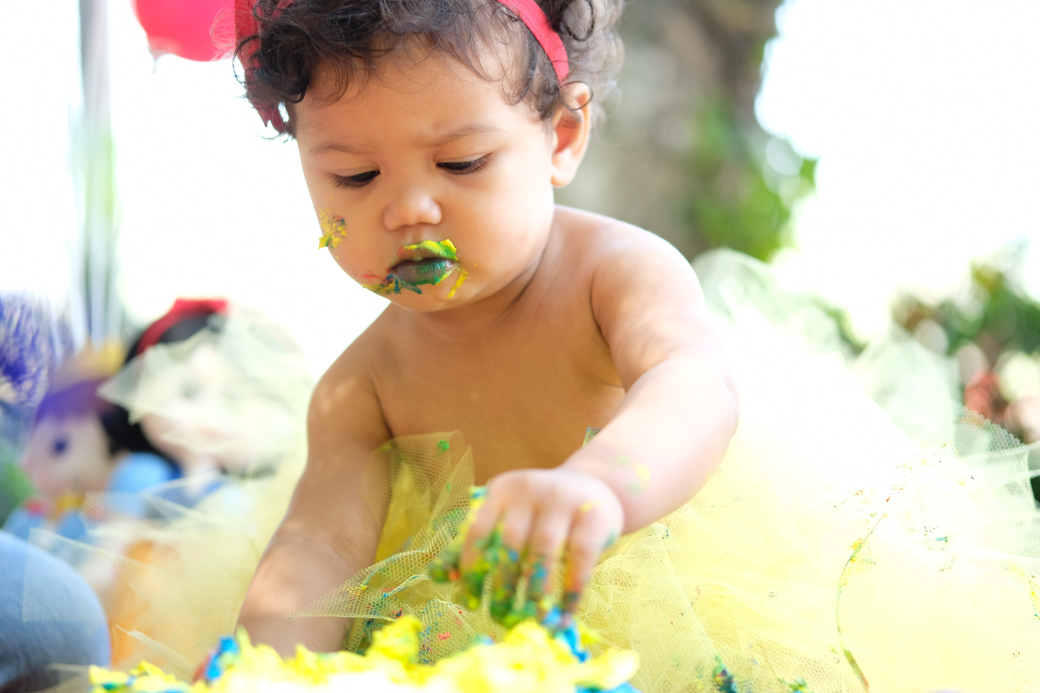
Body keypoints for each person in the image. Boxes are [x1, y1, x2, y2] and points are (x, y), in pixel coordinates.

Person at [218, 1, 1040, 691]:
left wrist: (603, 486)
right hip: (473, 627)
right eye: (354, 178)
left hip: (684, 594)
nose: (409, 210)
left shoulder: (615, 274)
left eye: (461, 162)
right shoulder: (360, 384)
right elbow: (321, 547)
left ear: (562, 137)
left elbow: (694, 383)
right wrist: (264, 663)